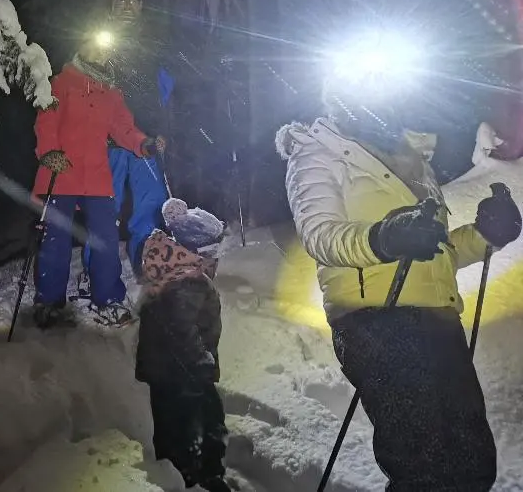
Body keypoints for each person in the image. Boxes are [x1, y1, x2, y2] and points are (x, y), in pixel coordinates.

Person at [276, 80, 522, 491]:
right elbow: (321, 235)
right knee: (425, 467)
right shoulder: (319, 150)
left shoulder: (413, 159)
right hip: (375, 321)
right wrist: (382, 238)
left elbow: (435, 253)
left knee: (472, 463)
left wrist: (486, 235)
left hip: (439, 322)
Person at [32, 28, 163, 328]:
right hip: (61, 171)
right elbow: (46, 120)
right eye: (96, 46)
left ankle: (109, 299)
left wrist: (143, 144)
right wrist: (48, 152)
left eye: (106, 49)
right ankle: (49, 302)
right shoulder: (61, 83)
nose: (102, 53)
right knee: (56, 239)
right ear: (82, 46)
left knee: (105, 238)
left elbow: (123, 128)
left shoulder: (111, 93)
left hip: (96, 177)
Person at [81, 0, 175, 292]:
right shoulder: (97, 43)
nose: (128, 6)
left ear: (141, 7)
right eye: (122, 1)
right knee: (104, 210)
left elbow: (165, 91)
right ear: (111, 7)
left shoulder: (153, 43)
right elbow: (81, 90)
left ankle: (149, 269)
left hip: (144, 141)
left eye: (134, 1)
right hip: (107, 141)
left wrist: (161, 129)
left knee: (150, 209)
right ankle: (98, 278)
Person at [136, 200, 231, 492]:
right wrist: (202, 363)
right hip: (185, 372)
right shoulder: (188, 282)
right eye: (213, 253)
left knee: (173, 426)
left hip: (167, 372)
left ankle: (182, 474)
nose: (217, 259)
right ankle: (203, 477)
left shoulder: (173, 269)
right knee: (202, 425)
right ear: (198, 252)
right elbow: (182, 329)